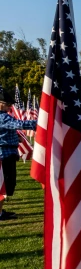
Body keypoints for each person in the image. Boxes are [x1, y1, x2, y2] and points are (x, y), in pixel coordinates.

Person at [0, 85, 37, 220]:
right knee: (4, 185)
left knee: (6, 185)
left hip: (6, 153)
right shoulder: (2, 117)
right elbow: (19, 124)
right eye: (7, 104)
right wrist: (41, 122)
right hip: (4, 155)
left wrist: (17, 138)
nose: (10, 107)